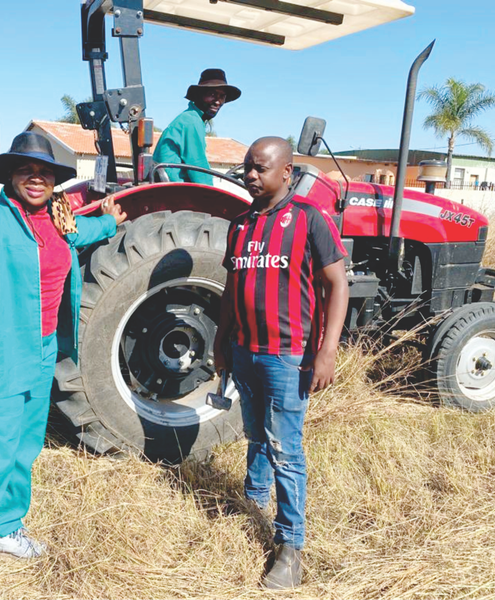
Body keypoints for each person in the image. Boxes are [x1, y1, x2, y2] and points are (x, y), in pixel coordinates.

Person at [0, 132, 126, 600]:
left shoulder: (58, 219)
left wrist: (111, 223)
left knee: (24, 448)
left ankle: (3, 529)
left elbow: (83, 234)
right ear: (11, 176)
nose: (36, 177)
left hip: (41, 353)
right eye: (26, 170)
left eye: (45, 172)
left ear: (55, 182)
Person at [213, 137, 349, 590]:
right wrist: (220, 340)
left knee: (285, 450)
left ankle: (290, 547)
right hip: (243, 350)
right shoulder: (241, 224)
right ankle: (253, 500)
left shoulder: (310, 219)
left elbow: (337, 286)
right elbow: (234, 288)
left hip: (287, 356)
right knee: (255, 434)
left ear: (286, 172)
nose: (250, 175)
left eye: (260, 168)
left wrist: (327, 351)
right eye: (247, 168)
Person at [152, 68, 241, 185]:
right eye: (212, 94)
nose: (218, 101)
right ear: (199, 95)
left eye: (222, 96)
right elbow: (198, 167)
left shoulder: (190, 118)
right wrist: (212, 195)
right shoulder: (191, 121)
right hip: (177, 190)